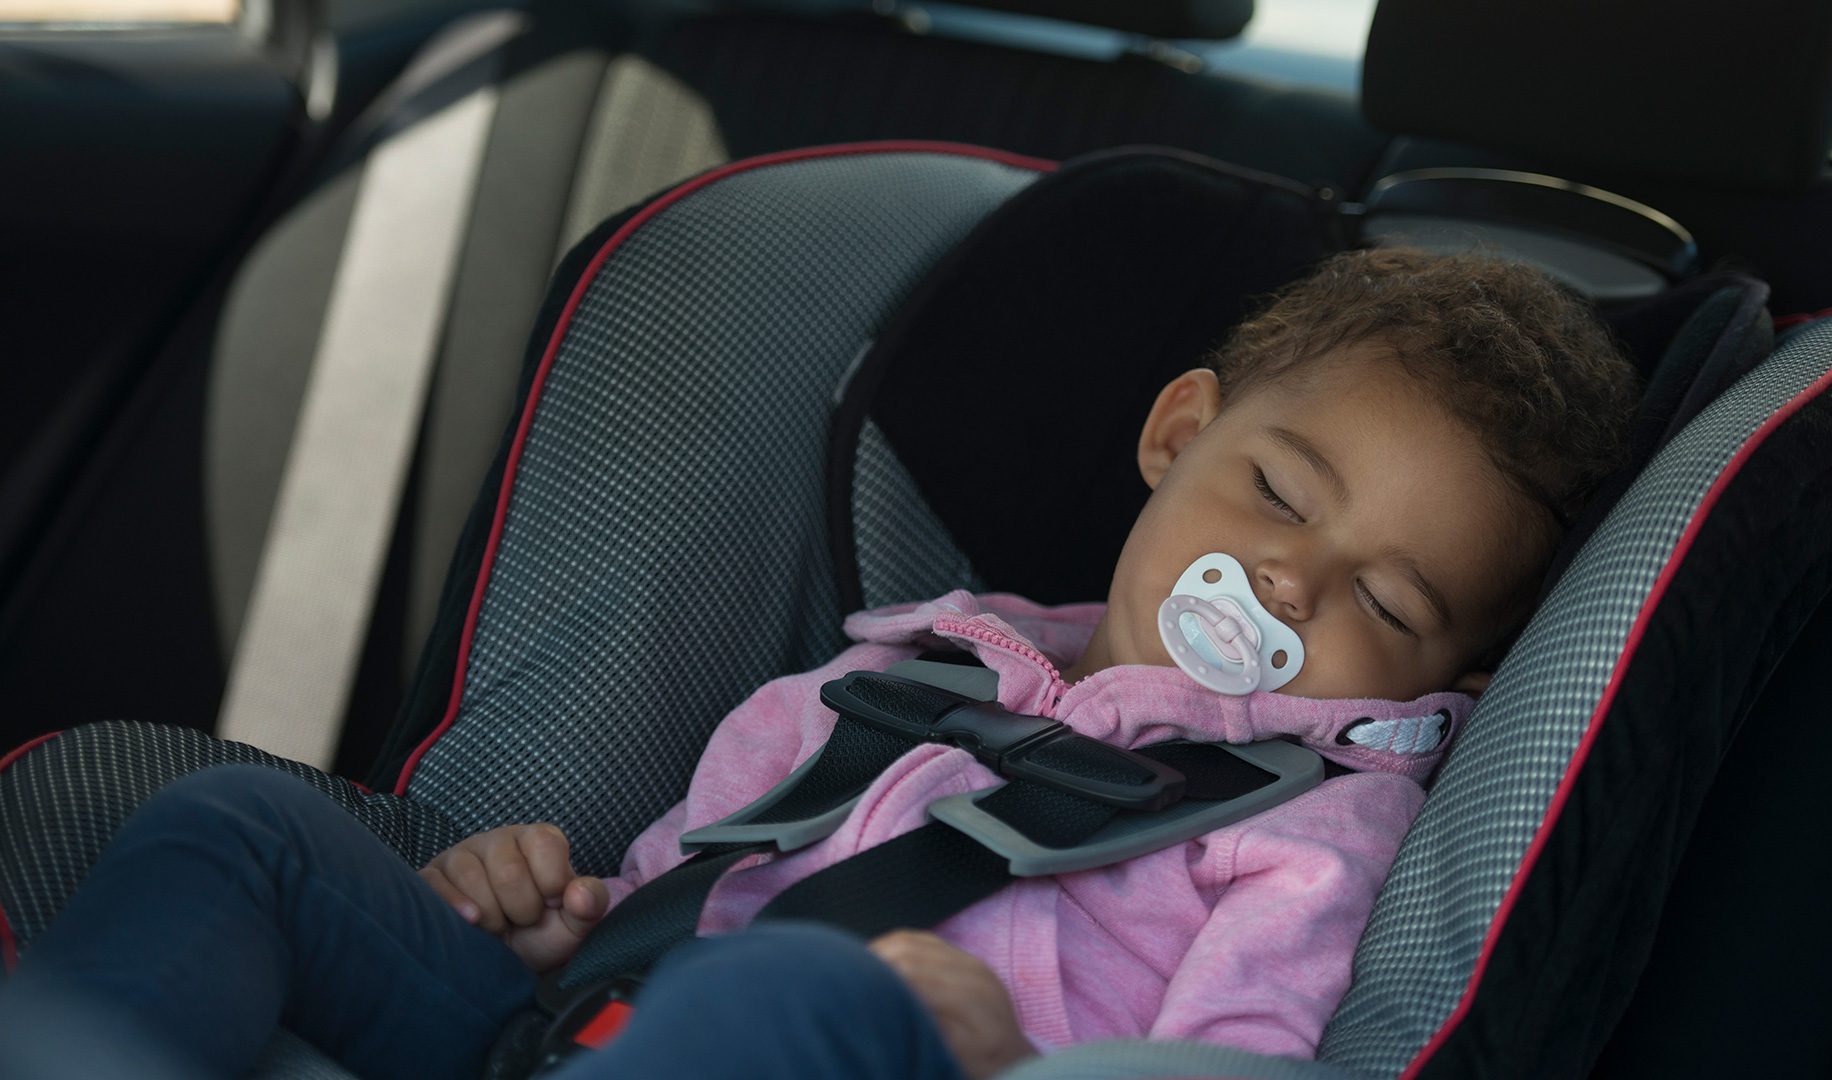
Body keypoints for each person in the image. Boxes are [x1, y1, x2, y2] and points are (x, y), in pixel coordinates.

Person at [0, 248, 1641, 1080]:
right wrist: (550, 897)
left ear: (1448, 688)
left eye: (1390, 605)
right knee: (235, 832)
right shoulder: (903, 670)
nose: (1290, 574)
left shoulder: (1307, 831)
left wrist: (990, 1043)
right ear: (1179, 434)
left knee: (784, 989)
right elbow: (679, 879)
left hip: (864, 1055)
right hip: (592, 1022)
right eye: (1279, 494)